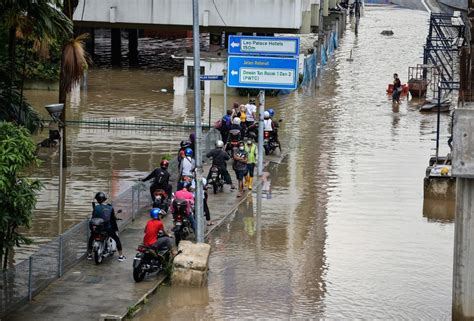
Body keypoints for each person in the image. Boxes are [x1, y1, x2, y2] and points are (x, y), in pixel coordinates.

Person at [87, 192, 125, 262]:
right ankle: (121, 256)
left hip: (97, 229)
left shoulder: (95, 208)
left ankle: (89, 254)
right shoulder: (110, 208)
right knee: (116, 239)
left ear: (97, 199)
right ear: (104, 199)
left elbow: (93, 217)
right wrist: (115, 228)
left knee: (91, 238)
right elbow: (113, 220)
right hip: (107, 229)